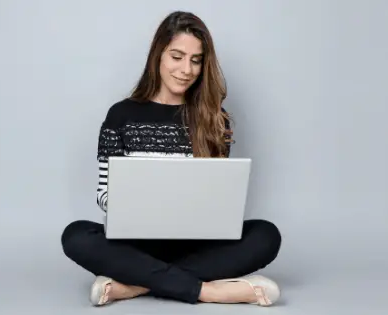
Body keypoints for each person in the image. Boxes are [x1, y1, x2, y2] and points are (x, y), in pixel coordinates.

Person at [61, 11, 282, 307]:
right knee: (75, 235)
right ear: (158, 56)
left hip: (196, 245)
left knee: (266, 235)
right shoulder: (121, 115)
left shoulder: (215, 119)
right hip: (134, 244)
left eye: (195, 60)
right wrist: (137, 203)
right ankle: (206, 291)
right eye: (176, 56)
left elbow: (219, 198)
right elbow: (104, 195)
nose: (186, 70)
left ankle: (134, 285)